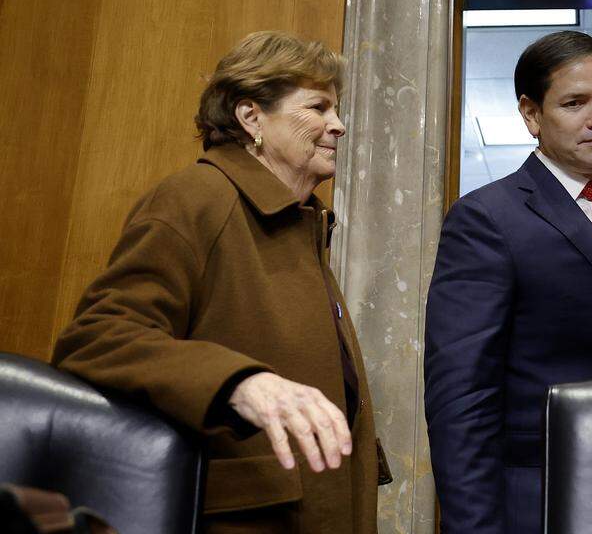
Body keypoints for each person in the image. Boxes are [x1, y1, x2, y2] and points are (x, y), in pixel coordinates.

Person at [52, 32, 391, 533]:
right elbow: (96, 338)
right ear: (251, 117)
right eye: (318, 107)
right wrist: (239, 382)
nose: (338, 126)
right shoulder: (197, 198)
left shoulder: (301, 222)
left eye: (335, 109)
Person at [424, 30, 592, 533]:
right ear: (531, 114)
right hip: (542, 499)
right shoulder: (486, 219)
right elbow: (462, 397)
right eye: (574, 103)